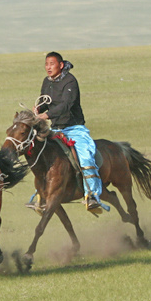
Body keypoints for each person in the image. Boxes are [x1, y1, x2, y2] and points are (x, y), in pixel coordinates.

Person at [34, 52, 104, 213]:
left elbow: (66, 104)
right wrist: (39, 109)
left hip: (74, 128)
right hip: (55, 129)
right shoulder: (47, 82)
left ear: (61, 65)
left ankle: (92, 196)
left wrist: (46, 115)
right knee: (42, 156)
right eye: (46, 64)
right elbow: (46, 101)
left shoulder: (70, 81)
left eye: (52, 64)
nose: (48, 67)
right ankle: (41, 196)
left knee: (85, 156)